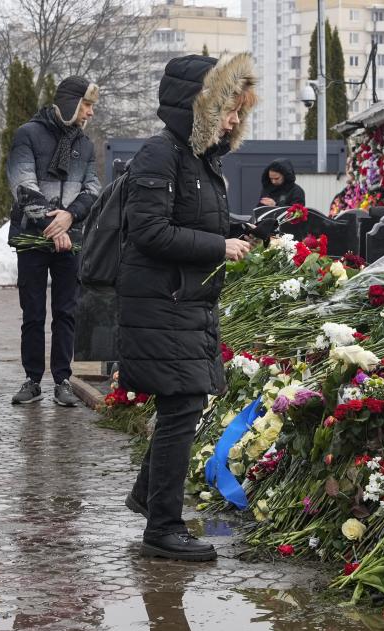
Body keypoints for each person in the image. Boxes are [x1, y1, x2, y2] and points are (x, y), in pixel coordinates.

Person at [119, 53, 256, 561]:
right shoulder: (161, 154)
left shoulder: (198, 159)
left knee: (184, 403)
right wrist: (218, 247)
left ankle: (146, 496)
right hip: (162, 301)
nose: (235, 120)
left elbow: (192, 220)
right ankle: (162, 529)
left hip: (185, 300)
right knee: (182, 405)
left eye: (239, 112)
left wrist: (235, 228)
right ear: (200, 105)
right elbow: (150, 231)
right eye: (229, 109)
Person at [7, 76, 101, 406]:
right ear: (71, 102)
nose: (90, 113)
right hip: (34, 240)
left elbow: (92, 189)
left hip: (69, 240)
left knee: (66, 313)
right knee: (33, 313)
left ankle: (62, 379)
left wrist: (71, 217)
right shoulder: (27, 134)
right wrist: (56, 225)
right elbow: (22, 185)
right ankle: (32, 380)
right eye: (87, 105)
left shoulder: (85, 145)